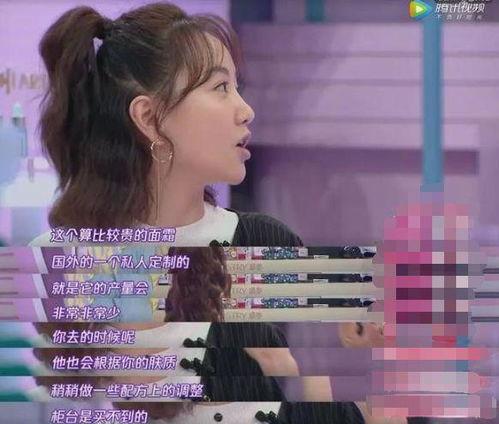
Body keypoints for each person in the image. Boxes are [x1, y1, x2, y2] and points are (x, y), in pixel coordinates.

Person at [29, 2, 301, 248]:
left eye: (235, 87)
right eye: (220, 87)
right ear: (148, 117)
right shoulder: (53, 261)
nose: (246, 112)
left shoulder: (270, 245)